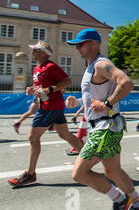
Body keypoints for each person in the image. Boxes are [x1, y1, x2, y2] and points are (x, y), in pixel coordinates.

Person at [66, 28, 139, 210]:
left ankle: (119, 200)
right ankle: (137, 205)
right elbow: (95, 94)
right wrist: (76, 102)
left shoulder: (102, 64)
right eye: (76, 44)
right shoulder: (90, 67)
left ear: (95, 43)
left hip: (105, 127)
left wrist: (107, 104)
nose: (78, 48)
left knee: (79, 173)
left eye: (81, 43)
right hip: (103, 126)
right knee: (112, 171)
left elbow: (126, 83)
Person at [8, 41, 83, 187]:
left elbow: (67, 82)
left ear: (43, 53)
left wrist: (48, 90)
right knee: (65, 134)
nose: (32, 53)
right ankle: (89, 155)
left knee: (33, 137)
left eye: (35, 50)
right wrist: (32, 89)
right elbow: (41, 87)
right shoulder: (37, 69)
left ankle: (30, 174)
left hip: (50, 107)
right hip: (51, 106)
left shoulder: (51, 67)